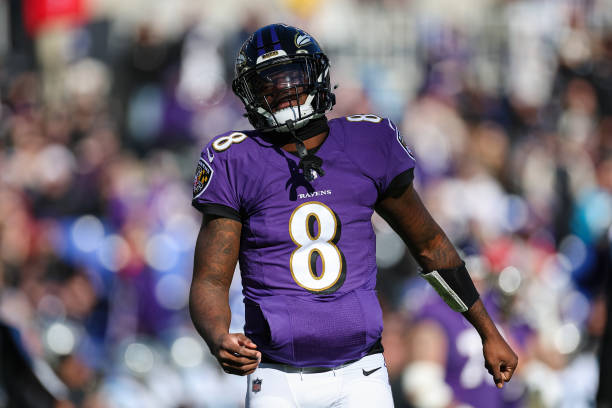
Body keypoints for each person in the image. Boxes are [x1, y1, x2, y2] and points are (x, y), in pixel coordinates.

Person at [189, 23, 518, 407]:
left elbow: (429, 245)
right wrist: (218, 336)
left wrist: (487, 330)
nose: (283, 92)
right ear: (251, 95)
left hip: (362, 373)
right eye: (269, 84)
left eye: (292, 78)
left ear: (318, 76)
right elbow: (211, 280)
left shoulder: (367, 142)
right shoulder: (236, 159)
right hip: (276, 374)